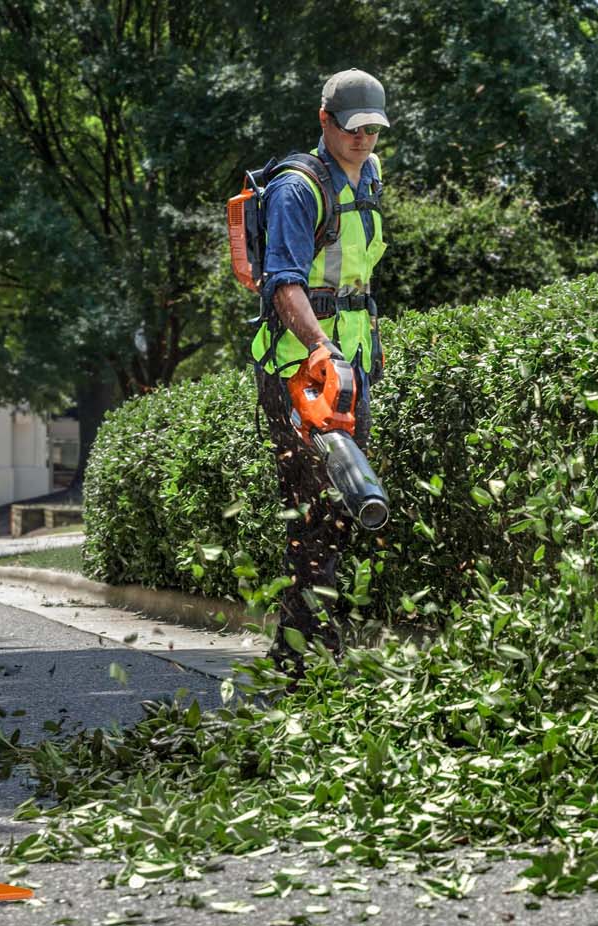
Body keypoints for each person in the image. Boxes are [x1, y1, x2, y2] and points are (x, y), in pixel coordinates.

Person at [248, 69, 390, 677]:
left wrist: (358, 354)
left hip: (352, 368)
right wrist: (320, 349)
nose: (362, 140)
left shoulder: (371, 177)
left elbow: (358, 277)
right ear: (325, 120)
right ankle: (307, 656)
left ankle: (305, 646)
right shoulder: (296, 189)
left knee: (343, 506)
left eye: (373, 130)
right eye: (352, 128)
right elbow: (285, 281)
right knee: (320, 506)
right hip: (298, 371)